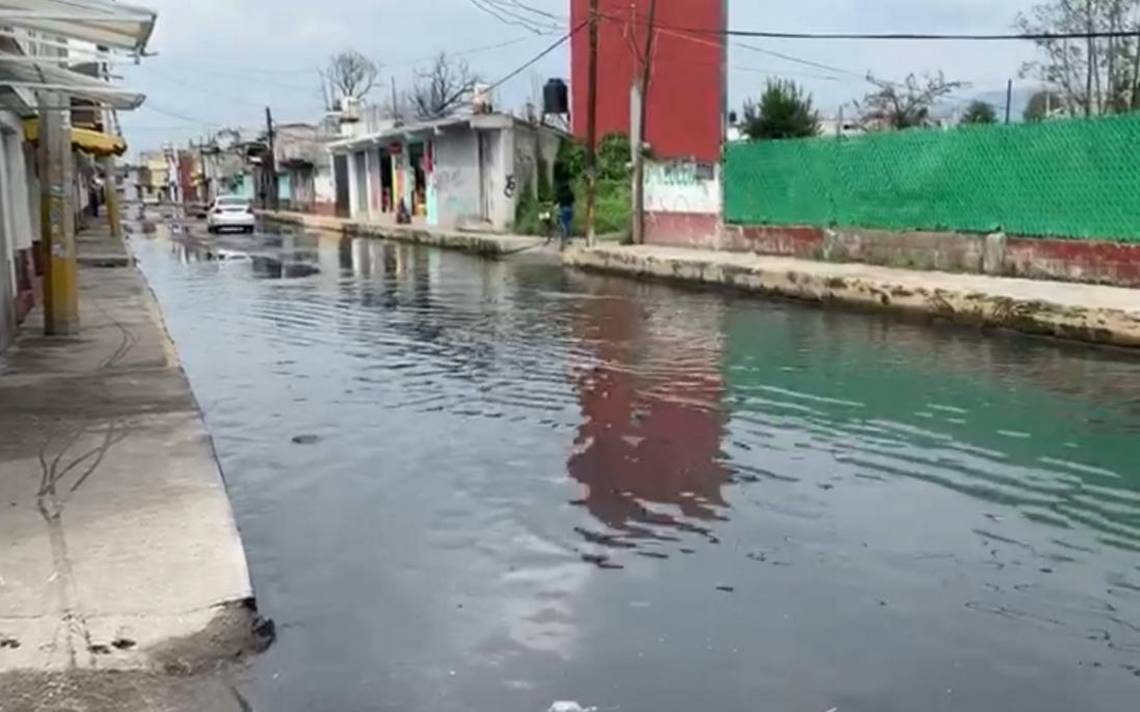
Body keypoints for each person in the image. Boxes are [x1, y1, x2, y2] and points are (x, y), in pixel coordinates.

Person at [554, 169, 575, 247]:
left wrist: (555, 207)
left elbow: (556, 201)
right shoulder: (570, 193)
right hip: (570, 209)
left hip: (563, 209)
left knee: (562, 223)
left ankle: (560, 236)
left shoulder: (560, 193)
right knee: (569, 224)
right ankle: (569, 238)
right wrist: (573, 210)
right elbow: (573, 202)